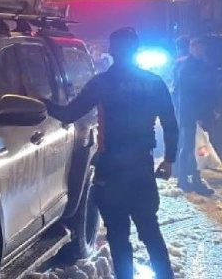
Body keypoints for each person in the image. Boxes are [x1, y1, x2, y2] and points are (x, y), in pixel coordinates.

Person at [41, 27, 177, 279]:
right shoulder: (153, 82)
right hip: (141, 167)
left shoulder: (102, 82)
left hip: (111, 169)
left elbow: (68, 114)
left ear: (112, 50)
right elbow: (170, 123)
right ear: (136, 50)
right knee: (150, 229)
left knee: (118, 235)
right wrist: (169, 160)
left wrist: (41, 101)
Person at [175, 36, 217, 196]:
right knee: (189, 147)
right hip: (190, 116)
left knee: (199, 148)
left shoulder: (202, 66)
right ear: (192, 48)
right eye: (198, 47)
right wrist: (197, 115)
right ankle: (186, 179)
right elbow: (188, 95)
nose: (201, 50)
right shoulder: (188, 68)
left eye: (203, 47)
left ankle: (194, 178)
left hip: (198, 115)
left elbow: (208, 92)